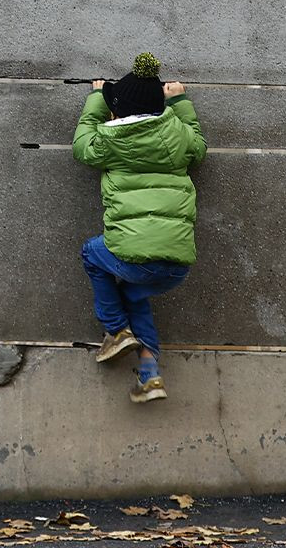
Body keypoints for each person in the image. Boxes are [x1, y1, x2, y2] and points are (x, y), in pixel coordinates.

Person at [71, 53, 206, 403]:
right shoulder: (177, 136)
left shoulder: (110, 140)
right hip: (176, 267)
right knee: (135, 295)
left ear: (118, 111)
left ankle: (115, 330)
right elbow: (198, 146)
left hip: (130, 255)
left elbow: (82, 147)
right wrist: (179, 101)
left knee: (91, 253)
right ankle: (150, 375)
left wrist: (97, 101)